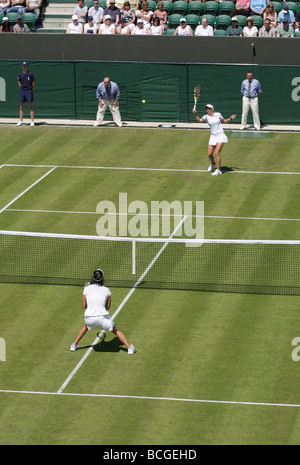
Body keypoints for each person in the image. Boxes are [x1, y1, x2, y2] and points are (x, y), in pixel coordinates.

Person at [70, 269, 137, 355]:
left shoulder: (86, 289)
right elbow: (108, 307)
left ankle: (74, 345)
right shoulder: (107, 290)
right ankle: (129, 348)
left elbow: (83, 306)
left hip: (90, 318)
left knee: (86, 326)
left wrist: (91, 306)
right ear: (102, 279)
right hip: (103, 319)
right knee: (115, 330)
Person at [192, 104, 237, 176]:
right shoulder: (206, 116)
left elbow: (223, 121)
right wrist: (196, 114)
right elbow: (199, 121)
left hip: (220, 135)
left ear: (212, 109)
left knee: (217, 152)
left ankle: (218, 170)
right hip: (213, 136)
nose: (208, 110)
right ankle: (213, 163)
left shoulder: (218, 114)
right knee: (209, 154)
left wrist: (229, 119)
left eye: (209, 109)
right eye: (207, 109)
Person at [16, 61, 35, 127]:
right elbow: (19, 82)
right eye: (23, 66)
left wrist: (30, 89)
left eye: (26, 66)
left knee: (31, 106)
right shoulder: (20, 75)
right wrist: (21, 87)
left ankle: (32, 121)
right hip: (22, 91)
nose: (24, 67)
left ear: (27, 66)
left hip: (29, 91)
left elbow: (33, 83)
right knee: (21, 107)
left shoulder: (31, 74)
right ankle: (20, 121)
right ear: (22, 67)